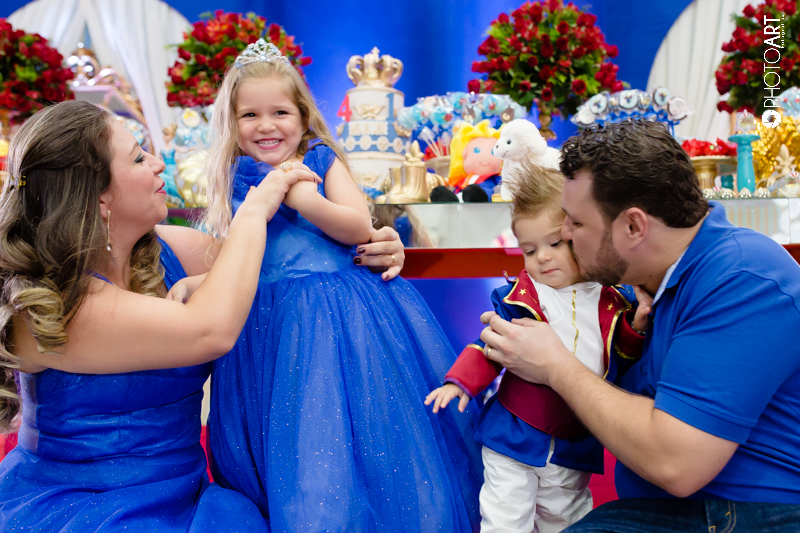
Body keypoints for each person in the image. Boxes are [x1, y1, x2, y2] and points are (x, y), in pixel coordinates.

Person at [0, 100, 406, 532]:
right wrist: (255, 209)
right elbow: (210, 330)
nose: (158, 163)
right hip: (81, 507)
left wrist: (371, 248)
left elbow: (285, 272)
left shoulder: (171, 251)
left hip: (186, 498)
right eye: (138, 157)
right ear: (99, 198)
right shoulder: (48, 305)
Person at [178, 39, 483, 532]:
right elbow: (244, 256)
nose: (266, 125)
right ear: (232, 123)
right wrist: (201, 281)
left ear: (303, 117)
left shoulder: (320, 160)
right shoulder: (237, 175)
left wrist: (303, 198)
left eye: (280, 112)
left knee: (346, 436)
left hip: (339, 318)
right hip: (267, 327)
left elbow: (359, 225)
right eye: (250, 115)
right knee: (287, 440)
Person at [479, 119, 800, 531]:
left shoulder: (745, 279)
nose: (565, 233)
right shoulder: (646, 284)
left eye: (575, 222)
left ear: (633, 227)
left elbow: (676, 465)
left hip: (745, 512)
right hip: (676, 508)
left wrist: (555, 365)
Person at [425, 162, 647, 533]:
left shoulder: (610, 299)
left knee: (567, 518)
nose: (542, 257)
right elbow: (489, 344)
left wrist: (635, 329)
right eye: (529, 250)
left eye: (554, 243)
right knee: (505, 518)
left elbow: (617, 354)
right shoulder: (521, 298)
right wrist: (460, 382)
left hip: (571, 441)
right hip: (514, 433)